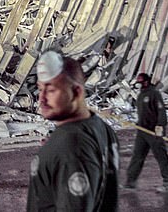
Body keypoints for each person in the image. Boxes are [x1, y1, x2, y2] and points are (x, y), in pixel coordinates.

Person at [27, 50, 119, 212]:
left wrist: (62, 150)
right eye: (40, 89)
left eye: (51, 90)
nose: (41, 99)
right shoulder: (101, 127)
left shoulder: (71, 145)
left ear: (76, 92)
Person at [124, 72, 168, 193]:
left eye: (140, 82)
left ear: (146, 82)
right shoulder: (141, 95)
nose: (138, 85)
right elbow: (143, 113)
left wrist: (160, 126)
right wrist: (139, 123)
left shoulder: (154, 94)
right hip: (142, 131)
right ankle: (130, 182)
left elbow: (161, 111)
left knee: (161, 156)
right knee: (137, 156)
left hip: (153, 131)